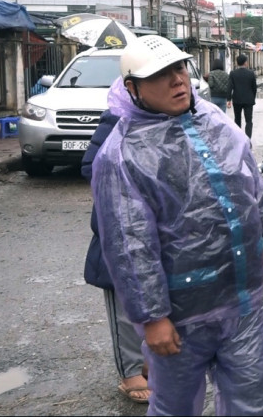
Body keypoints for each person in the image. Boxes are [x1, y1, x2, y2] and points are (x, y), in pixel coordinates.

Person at [89, 35, 263, 416]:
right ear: (133, 88)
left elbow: (250, 180)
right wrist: (152, 317)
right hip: (180, 316)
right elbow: (130, 245)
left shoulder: (213, 118)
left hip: (240, 299)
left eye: (179, 67)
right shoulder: (121, 155)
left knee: (254, 403)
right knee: (174, 408)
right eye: (161, 74)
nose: (177, 80)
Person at [82, 109, 151, 405]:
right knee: (124, 306)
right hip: (120, 233)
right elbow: (90, 167)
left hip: (159, 233)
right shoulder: (116, 120)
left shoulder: (179, 119)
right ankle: (130, 372)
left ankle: (151, 363)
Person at [229, 54, 257, 138]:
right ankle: (248, 139)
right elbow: (254, 88)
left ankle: (239, 138)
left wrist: (228, 99)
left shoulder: (233, 73)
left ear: (237, 63)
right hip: (248, 100)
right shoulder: (251, 73)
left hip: (237, 99)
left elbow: (230, 86)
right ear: (245, 63)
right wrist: (253, 97)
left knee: (237, 119)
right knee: (249, 120)